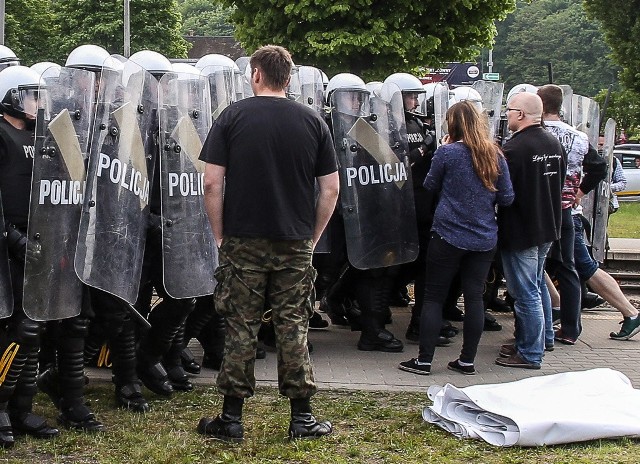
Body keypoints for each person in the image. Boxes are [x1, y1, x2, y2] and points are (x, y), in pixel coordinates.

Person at [197, 45, 339, 442]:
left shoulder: (232, 117)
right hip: (294, 240)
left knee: (240, 326)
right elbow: (330, 189)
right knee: (293, 326)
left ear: (256, 74)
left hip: (243, 238)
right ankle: (302, 418)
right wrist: (311, 237)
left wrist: (221, 235)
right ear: (288, 77)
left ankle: (231, 418)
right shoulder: (313, 122)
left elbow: (211, 182)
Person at [398, 101, 514, 375]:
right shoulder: (495, 155)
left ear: (453, 125)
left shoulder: (447, 153)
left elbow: (429, 185)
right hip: (484, 237)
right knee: (474, 297)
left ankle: (424, 361)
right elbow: (507, 197)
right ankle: (467, 361)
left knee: (433, 297)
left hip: (448, 234)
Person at [0, 65, 59, 447]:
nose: (36, 103)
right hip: (7, 247)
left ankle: (22, 408)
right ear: (9, 97)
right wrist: (12, 237)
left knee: (33, 327)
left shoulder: (42, 136)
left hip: (39, 242)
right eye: (29, 95)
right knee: (10, 330)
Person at [495, 92, 566, 370]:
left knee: (525, 293)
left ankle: (530, 352)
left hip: (522, 228)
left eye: (510, 110)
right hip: (547, 225)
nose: (507, 115)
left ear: (521, 114)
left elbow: (504, 192)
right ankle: (543, 338)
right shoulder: (552, 142)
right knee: (536, 286)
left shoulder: (515, 149)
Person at [538, 84, 592, 345]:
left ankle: (536, 327)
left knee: (534, 268)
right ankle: (571, 328)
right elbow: (599, 167)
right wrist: (578, 192)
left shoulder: (536, 134)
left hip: (539, 209)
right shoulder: (579, 137)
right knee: (568, 267)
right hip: (566, 210)